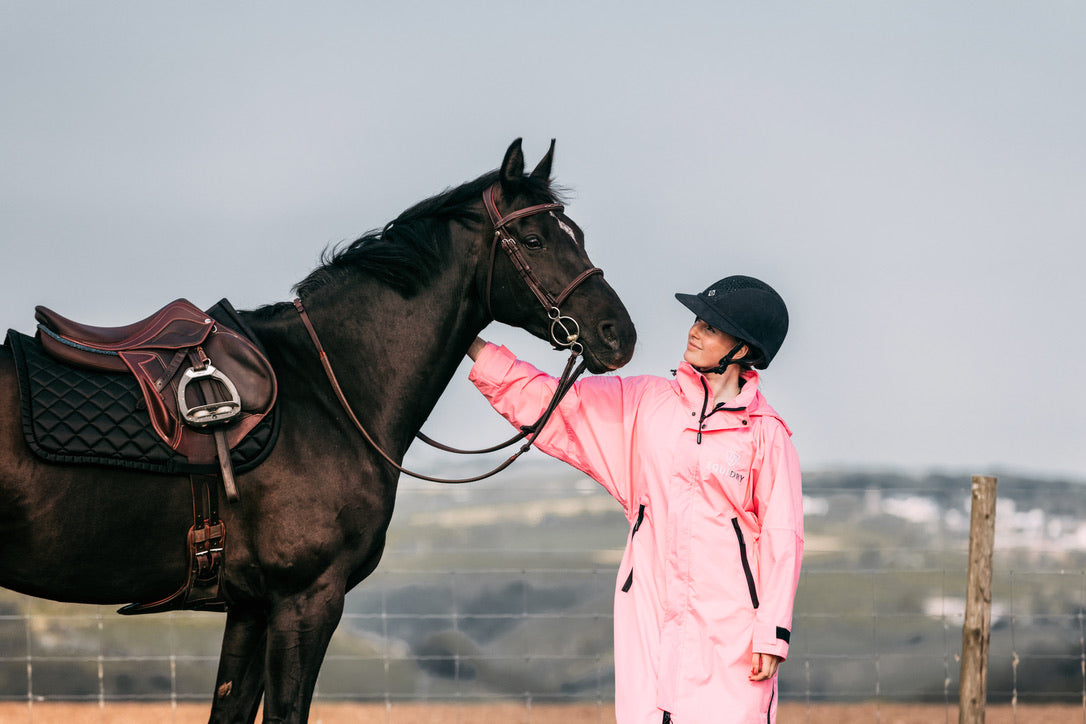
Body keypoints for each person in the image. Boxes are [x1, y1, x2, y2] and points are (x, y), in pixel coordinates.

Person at [467, 275, 803, 724]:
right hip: (647, 618)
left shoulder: (767, 434)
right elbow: (554, 401)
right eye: (697, 320)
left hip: (732, 635)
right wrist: (468, 344)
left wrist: (771, 635)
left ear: (740, 350)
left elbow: (784, 539)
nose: (694, 331)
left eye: (710, 326)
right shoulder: (644, 403)